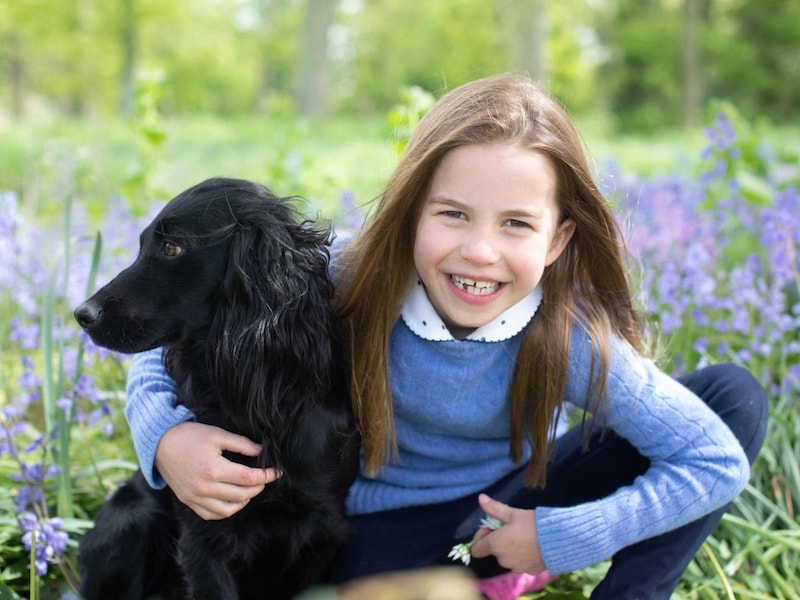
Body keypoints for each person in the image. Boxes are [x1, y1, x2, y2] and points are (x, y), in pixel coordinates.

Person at [124, 74, 768, 599]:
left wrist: (563, 534)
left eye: (517, 223)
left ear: (558, 240)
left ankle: (581, 583)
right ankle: (479, 582)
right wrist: (166, 437)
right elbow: (171, 322)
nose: (480, 251)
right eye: (453, 214)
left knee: (732, 397)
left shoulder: (566, 335)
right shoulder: (352, 275)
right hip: (378, 531)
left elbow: (715, 461)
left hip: (512, 505)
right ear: (411, 213)